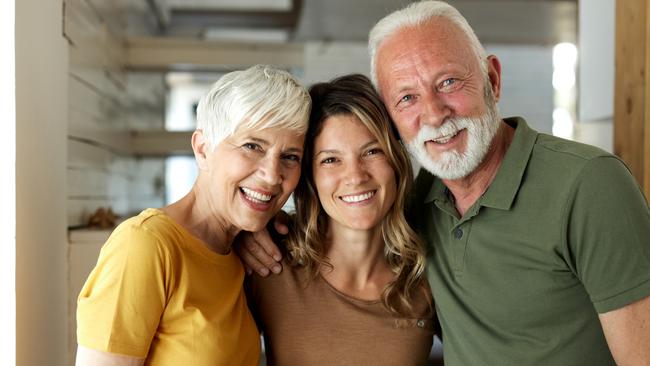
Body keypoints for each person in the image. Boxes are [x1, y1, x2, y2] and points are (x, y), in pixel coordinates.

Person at [239, 2, 650, 365]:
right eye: (407, 98)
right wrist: (244, 231)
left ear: (492, 79)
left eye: (449, 82)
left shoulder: (588, 183)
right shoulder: (421, 207)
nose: (434, 114)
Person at [75, 65, 311, 366]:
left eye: (290, 157)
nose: (271, 175)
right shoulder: (144, 245)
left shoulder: (242, 251)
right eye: (252, 146)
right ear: (203, 149)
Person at [244, 74, 434, 366]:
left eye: (372, 151)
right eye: (331, 160)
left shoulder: (427, 276)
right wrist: (243, 229)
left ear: (396, 161)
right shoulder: (269, 263)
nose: (356, 176)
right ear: (310, 176)